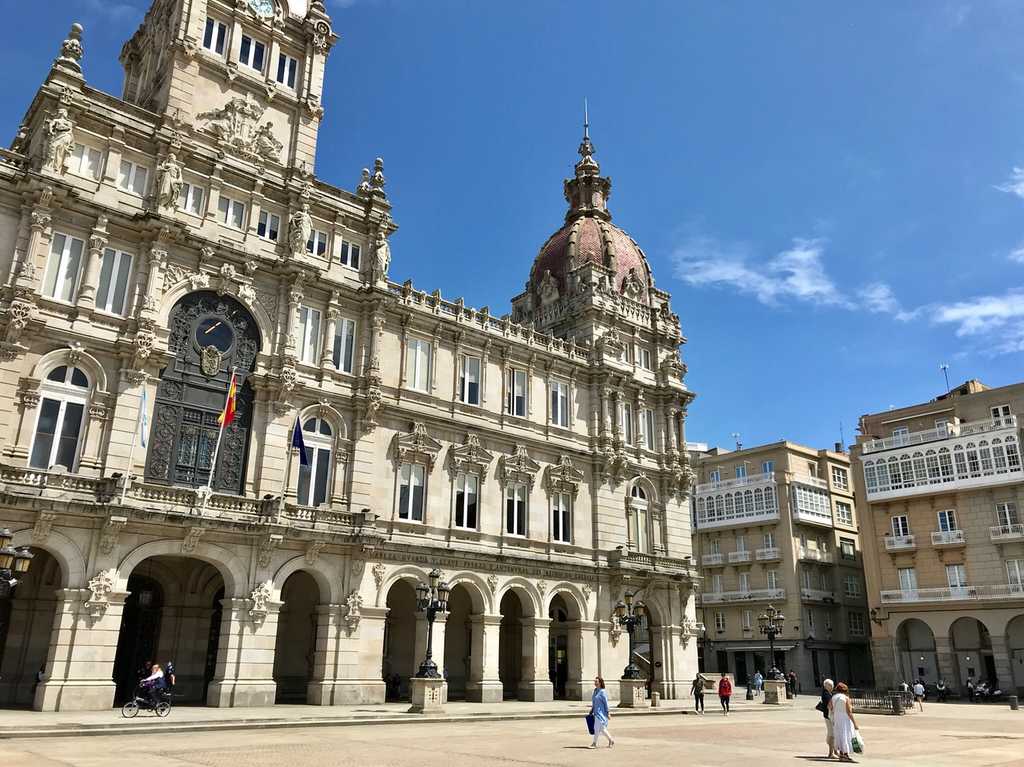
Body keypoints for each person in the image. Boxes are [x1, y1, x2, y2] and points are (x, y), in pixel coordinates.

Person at [828, 682, 859, 762]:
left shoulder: (834, 697)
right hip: (844, 719)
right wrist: (855, 723)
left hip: (836, 718)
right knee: (846, 735)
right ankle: (845, 754)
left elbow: (829, 707)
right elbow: (849, 712)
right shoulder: (845, 698)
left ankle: (841, 753)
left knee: (839, 735)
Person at [588, 676, 614, 748]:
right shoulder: (595, 691)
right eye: (595, 681)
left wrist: (608, 712)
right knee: (602, 729)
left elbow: (606, 703)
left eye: (596, 681)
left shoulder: (602, 692)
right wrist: (592, 709)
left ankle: (594, 743)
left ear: (600, 683)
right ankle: (611, 740)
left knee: (597, 728)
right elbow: (594, 702)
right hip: (595, 712)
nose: (595, 683)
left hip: (601, 713)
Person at [818, 678, 835, 759]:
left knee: (831, 733)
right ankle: (831, 753)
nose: (832, 687)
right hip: (829, 716)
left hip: (827, 715)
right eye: (831, 685)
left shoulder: (827, 693)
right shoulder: (826, 694)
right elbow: (830, 706)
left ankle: (834, 751)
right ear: (826, 686)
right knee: (831, 734)